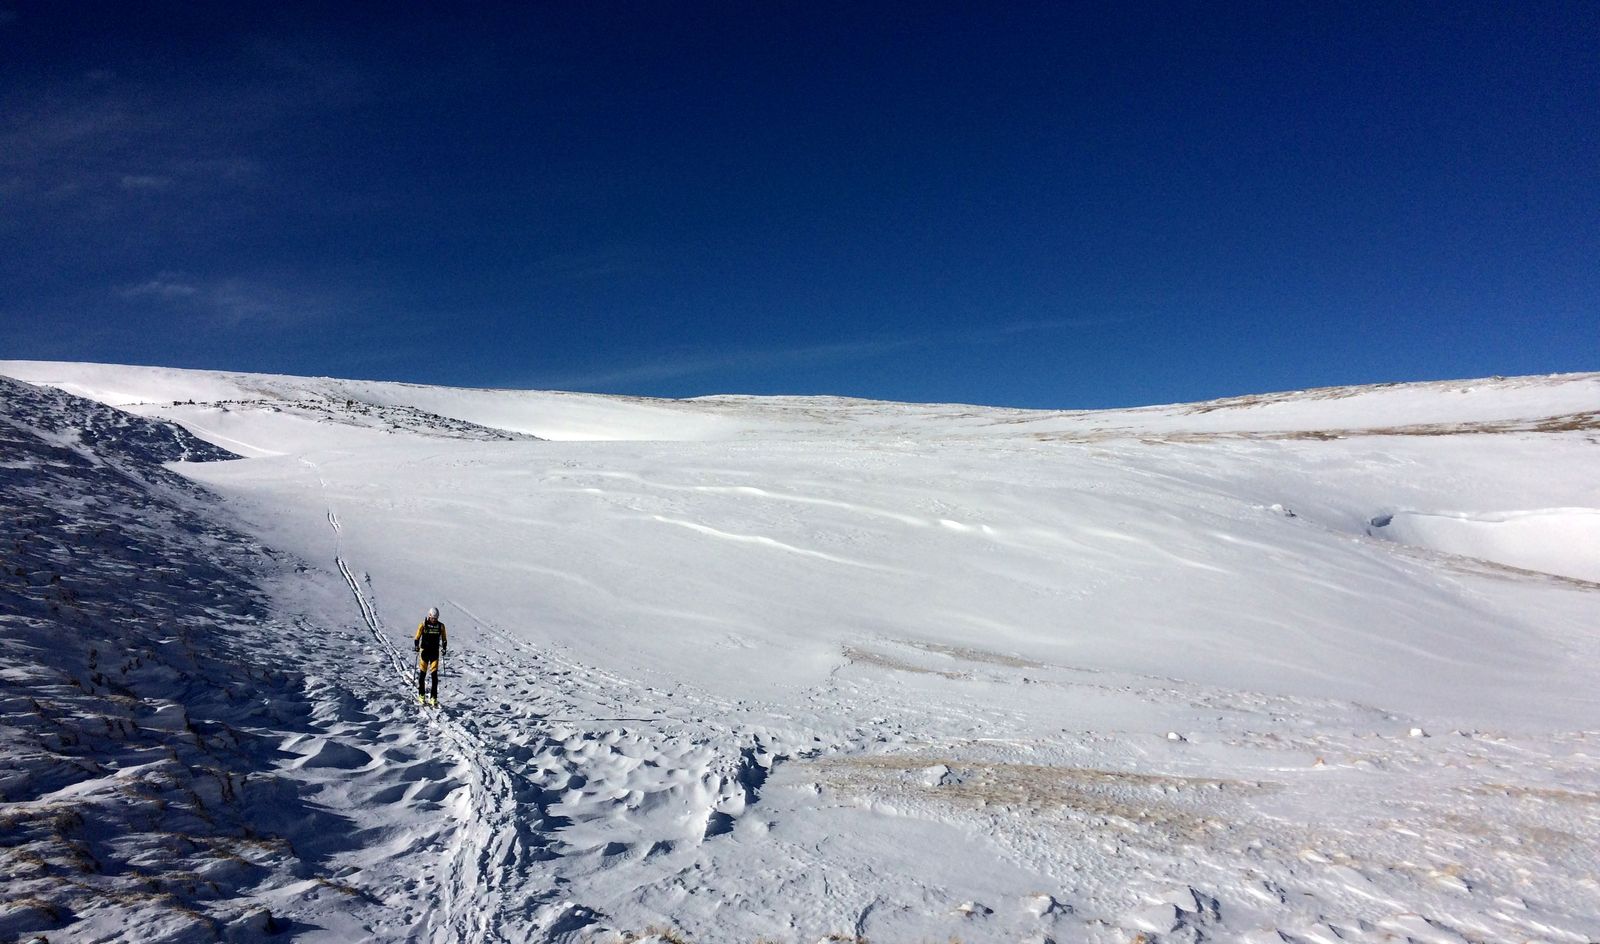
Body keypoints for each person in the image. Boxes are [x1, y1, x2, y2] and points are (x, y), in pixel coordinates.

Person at [414, 606, 448, 705]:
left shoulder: (441, 626)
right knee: (422, 676)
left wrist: (444, 648)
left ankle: (433, 698)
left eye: (436, 618)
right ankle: (421, 695)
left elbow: (444, 638)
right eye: (433, 618)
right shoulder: (423, 625)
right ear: (429, 616)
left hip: (434, 653)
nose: (434, 620)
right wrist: (416, 646)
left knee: (434, 677)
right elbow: (417, 638)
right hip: (424, 652)